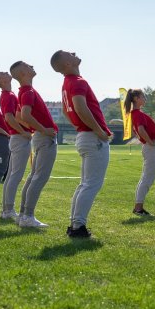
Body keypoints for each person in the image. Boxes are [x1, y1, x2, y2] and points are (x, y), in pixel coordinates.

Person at [52, 49, 111, 239]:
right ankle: (78, 227)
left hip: (84, 135)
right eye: (70, 53)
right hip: (91, 137)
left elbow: (66, 110)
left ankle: (75, 224)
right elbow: (79, 107)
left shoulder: (67, 83)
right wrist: (98, 130)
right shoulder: (78, 82)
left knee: (85, 184)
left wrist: (81, 125)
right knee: (91, 184)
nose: (74, 52)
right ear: (67, 64)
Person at [11, 60, 58, 229]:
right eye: (28, 66)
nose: (32, 66)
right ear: (23, 73)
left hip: (40, 136)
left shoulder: (24, 91)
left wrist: (36, 129)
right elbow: (23, 115)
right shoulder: (28, 91)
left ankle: (24, 215)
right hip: (44, 138)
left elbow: (18, 115)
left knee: (33, 177)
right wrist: (44, 129)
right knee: (39, 177)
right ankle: (27, 216)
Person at [0, 69, 29, 221]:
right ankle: (8, 210)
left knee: (12, 174)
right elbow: (9, 117)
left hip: (16, 136)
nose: (6, 73)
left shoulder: (9, 95)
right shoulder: (7, 95)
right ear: (1, 81)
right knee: (15, 174)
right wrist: (23, 131)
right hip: (19, 137)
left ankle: (7, 209)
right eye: (3, 73)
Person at [125, 88, 155, 217]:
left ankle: (138, 207)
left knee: (145, 178)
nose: (145, 98)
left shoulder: (135, 113)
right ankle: (138, 208)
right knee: (147, 179)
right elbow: (140, 130)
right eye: (143, 96)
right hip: (150, 147)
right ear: (136, 98)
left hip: (149, 147)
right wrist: (151, 142)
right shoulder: (138, 113)